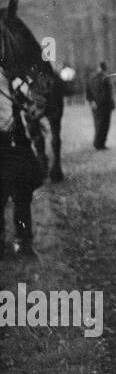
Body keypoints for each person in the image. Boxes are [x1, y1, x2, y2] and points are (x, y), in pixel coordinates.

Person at [0, 68, 41, 256]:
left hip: (18, 144)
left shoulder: (15, 80)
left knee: (23, 194)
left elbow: (35, 109)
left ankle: (24, 241)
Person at [85, 61, 115, 150]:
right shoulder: (105, 78)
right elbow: (108, 94)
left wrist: (91, 102)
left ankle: (98, 143)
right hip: (105, 106)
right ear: (105, 69)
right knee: (104, 125)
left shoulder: (91, 77)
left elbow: (88, 91)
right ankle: (100, 144)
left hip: (95, 106)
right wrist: (111, 104)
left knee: (97, 124)